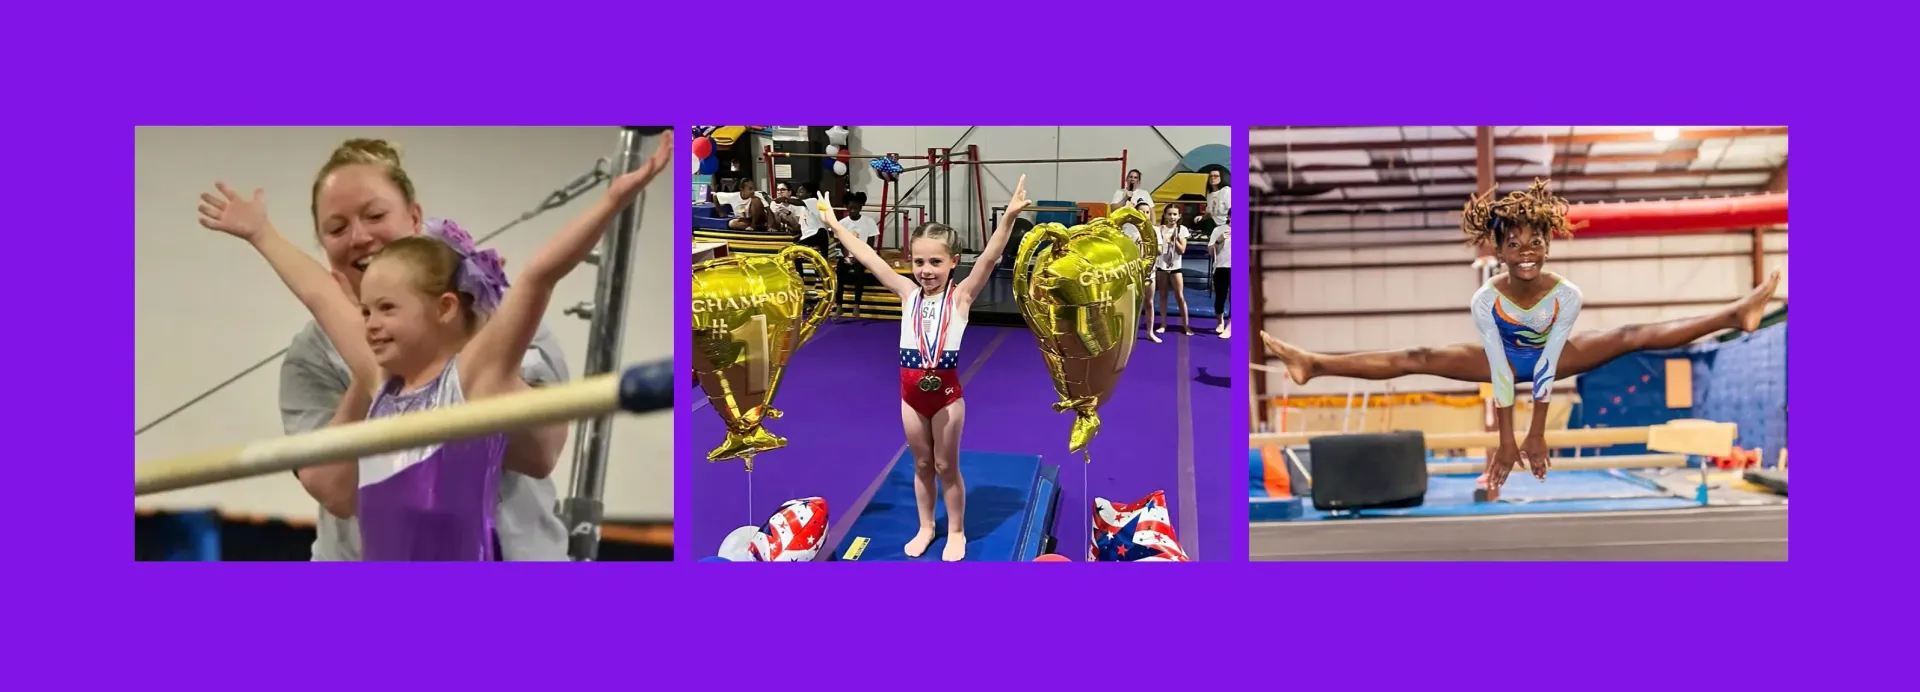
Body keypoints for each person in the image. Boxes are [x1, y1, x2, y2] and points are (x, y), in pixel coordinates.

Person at [198, 137, 674, 561]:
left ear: (446, 307)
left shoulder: (473, 379)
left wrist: (612, 202)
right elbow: (319, 293)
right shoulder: (378, 377)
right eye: (365, 313)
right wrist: (262, 234)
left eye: (385, 309)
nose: (370, 326)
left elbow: (538, 276)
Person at [1259, 179, 1783, 491]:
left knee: (1629, 333)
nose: (1526, 252)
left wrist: (1536, 434)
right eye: (1515, 244)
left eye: (1536, 242)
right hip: (1501, 363)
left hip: (1549, 357)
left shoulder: (1566, 295)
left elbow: (1550, 365)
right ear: (1499, 248)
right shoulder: (1486, 298)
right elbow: (1500, 373)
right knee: (1416, 354)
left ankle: (1734, 314)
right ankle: (1315, 363)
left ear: (1548, 246)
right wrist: (1506, 441)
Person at [260, 140, 575, 561]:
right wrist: (374, 361)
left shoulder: (495, 316)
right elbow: (337, 493)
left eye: (375, 215)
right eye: (336, 229)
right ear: (322, 245)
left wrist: (473, 355)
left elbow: (541, 454)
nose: (359, 237)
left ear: (414, 217)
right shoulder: (317, 355)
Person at [817, 175, 1033, 562]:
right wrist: (834, 226)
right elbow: (869, 258)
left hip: (947, 396)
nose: (926, 270)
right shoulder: (906, 294)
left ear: (953, 262)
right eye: (919, 261)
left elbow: (987, 259)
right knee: (920, 463)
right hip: (910, 395)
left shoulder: (962, 297)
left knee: (945, 465)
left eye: (935, 261)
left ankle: (956, 530)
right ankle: (926, 527)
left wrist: (1009, 218)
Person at [832, 191, 880, 320]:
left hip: (863, 256)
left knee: (860, 274)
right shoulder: (842, 223)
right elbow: (841, 243)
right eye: (850, 207)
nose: (853, 210)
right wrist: (847, 256)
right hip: (847, 256)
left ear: (860, 207)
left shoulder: (868, 222)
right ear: (846, 207)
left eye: (856, 208)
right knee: (839, 275)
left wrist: (860, 256)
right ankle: (839, 306)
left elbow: (870, 243)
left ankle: (856, 305)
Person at [1149, 203, 1192, 341]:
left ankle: (1186, 325)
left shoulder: (1182, 230)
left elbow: (1182, 250)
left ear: (1179, 216)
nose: (1172, 217)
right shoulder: (1160, 229)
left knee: (1180, 296)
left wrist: (1174, 240)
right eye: (1169, 214)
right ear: (1165, 215)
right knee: (1162, 295)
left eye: (1175, 214)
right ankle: (1163, 323)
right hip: (1161, 266)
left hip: (1176, 268)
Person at [1207, 216, 1231, 339]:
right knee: (1220, 297)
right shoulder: (1219, 230)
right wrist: (1218, 241)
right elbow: (1210, 251)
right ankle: (1220, 322)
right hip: (1221, 267)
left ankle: (1230, 326)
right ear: (1229, 217)